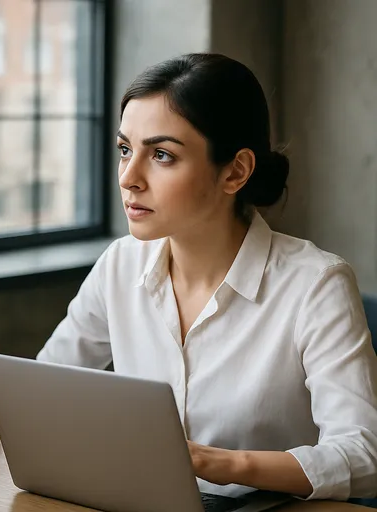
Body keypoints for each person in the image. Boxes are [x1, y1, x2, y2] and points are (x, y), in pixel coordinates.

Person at [37, 53, 377, 502]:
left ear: (235, 171)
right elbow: (39, 396)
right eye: (124, 149)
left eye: (161, 155)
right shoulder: (121, 263)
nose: (128, 177)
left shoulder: (317, 285)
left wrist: (215, 462)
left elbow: (365, 455)